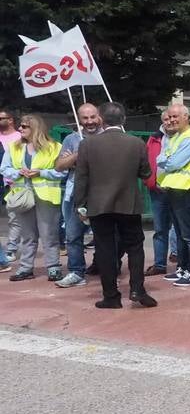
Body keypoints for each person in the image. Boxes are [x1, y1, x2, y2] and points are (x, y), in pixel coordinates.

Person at [72, 101, 155, 309]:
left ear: (100, 119)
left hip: (99, 205)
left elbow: (81, 178)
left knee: (105, 249)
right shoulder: (136, 143)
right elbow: (145, 173)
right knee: (135, 246)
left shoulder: (87, 144)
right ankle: (137, 289)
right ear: (123, 119)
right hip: (129, 203)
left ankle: (111, 296)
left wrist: (80, 205)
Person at [1, 113, 65, 282]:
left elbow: (62, 171)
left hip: (46, 197)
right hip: (23, 197)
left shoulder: (54, 147)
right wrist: (17, 173)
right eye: (20, 125)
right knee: (27, 235)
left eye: (24, 126)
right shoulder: (14, 147)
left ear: (35, 128)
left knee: (49, 234)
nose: (20, 129)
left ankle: (53, 267)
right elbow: (4, 168)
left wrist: (41, 172)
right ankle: (25, 268)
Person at [52, 103, 105, 288]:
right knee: (73, 235)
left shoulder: (107, 137)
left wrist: (77, 161)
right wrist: (78, 153)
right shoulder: (71, 139)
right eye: (85, 118)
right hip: (75, 194)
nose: (90, 121)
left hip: (101, 193)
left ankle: (107, 268)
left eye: (93, 117)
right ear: (79, 120)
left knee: (105, 235)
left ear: (99, 117)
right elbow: (59, 165)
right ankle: (76, 272)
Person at [156, 102, 190, 287]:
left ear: (186, 117)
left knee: (189, 234)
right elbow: (163, 156)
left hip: (185, 189)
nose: (172, 120)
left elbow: (172, 163)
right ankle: (182, 268)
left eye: (176, 116)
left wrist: (164, 160)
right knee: (179, 232)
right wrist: (164, 160)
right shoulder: (177, 136)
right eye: (170, 116)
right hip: (174, 188)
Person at [144, 110, 179, 276]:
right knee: (159, 229)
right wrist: (148, 180)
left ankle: (183, 263)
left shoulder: (184, 138)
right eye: (166, 119)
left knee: (180, 229)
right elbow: (146, 160)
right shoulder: (154, 138)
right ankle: (159, 264)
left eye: (172, 118)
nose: (169, 121)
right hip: (157, 189)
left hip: (178, 190)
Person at [0, 106, 21, 262]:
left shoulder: (20, 138)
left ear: (11, 120)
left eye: (2, 118)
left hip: (12, 183)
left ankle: (11, 248)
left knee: (14, 218)